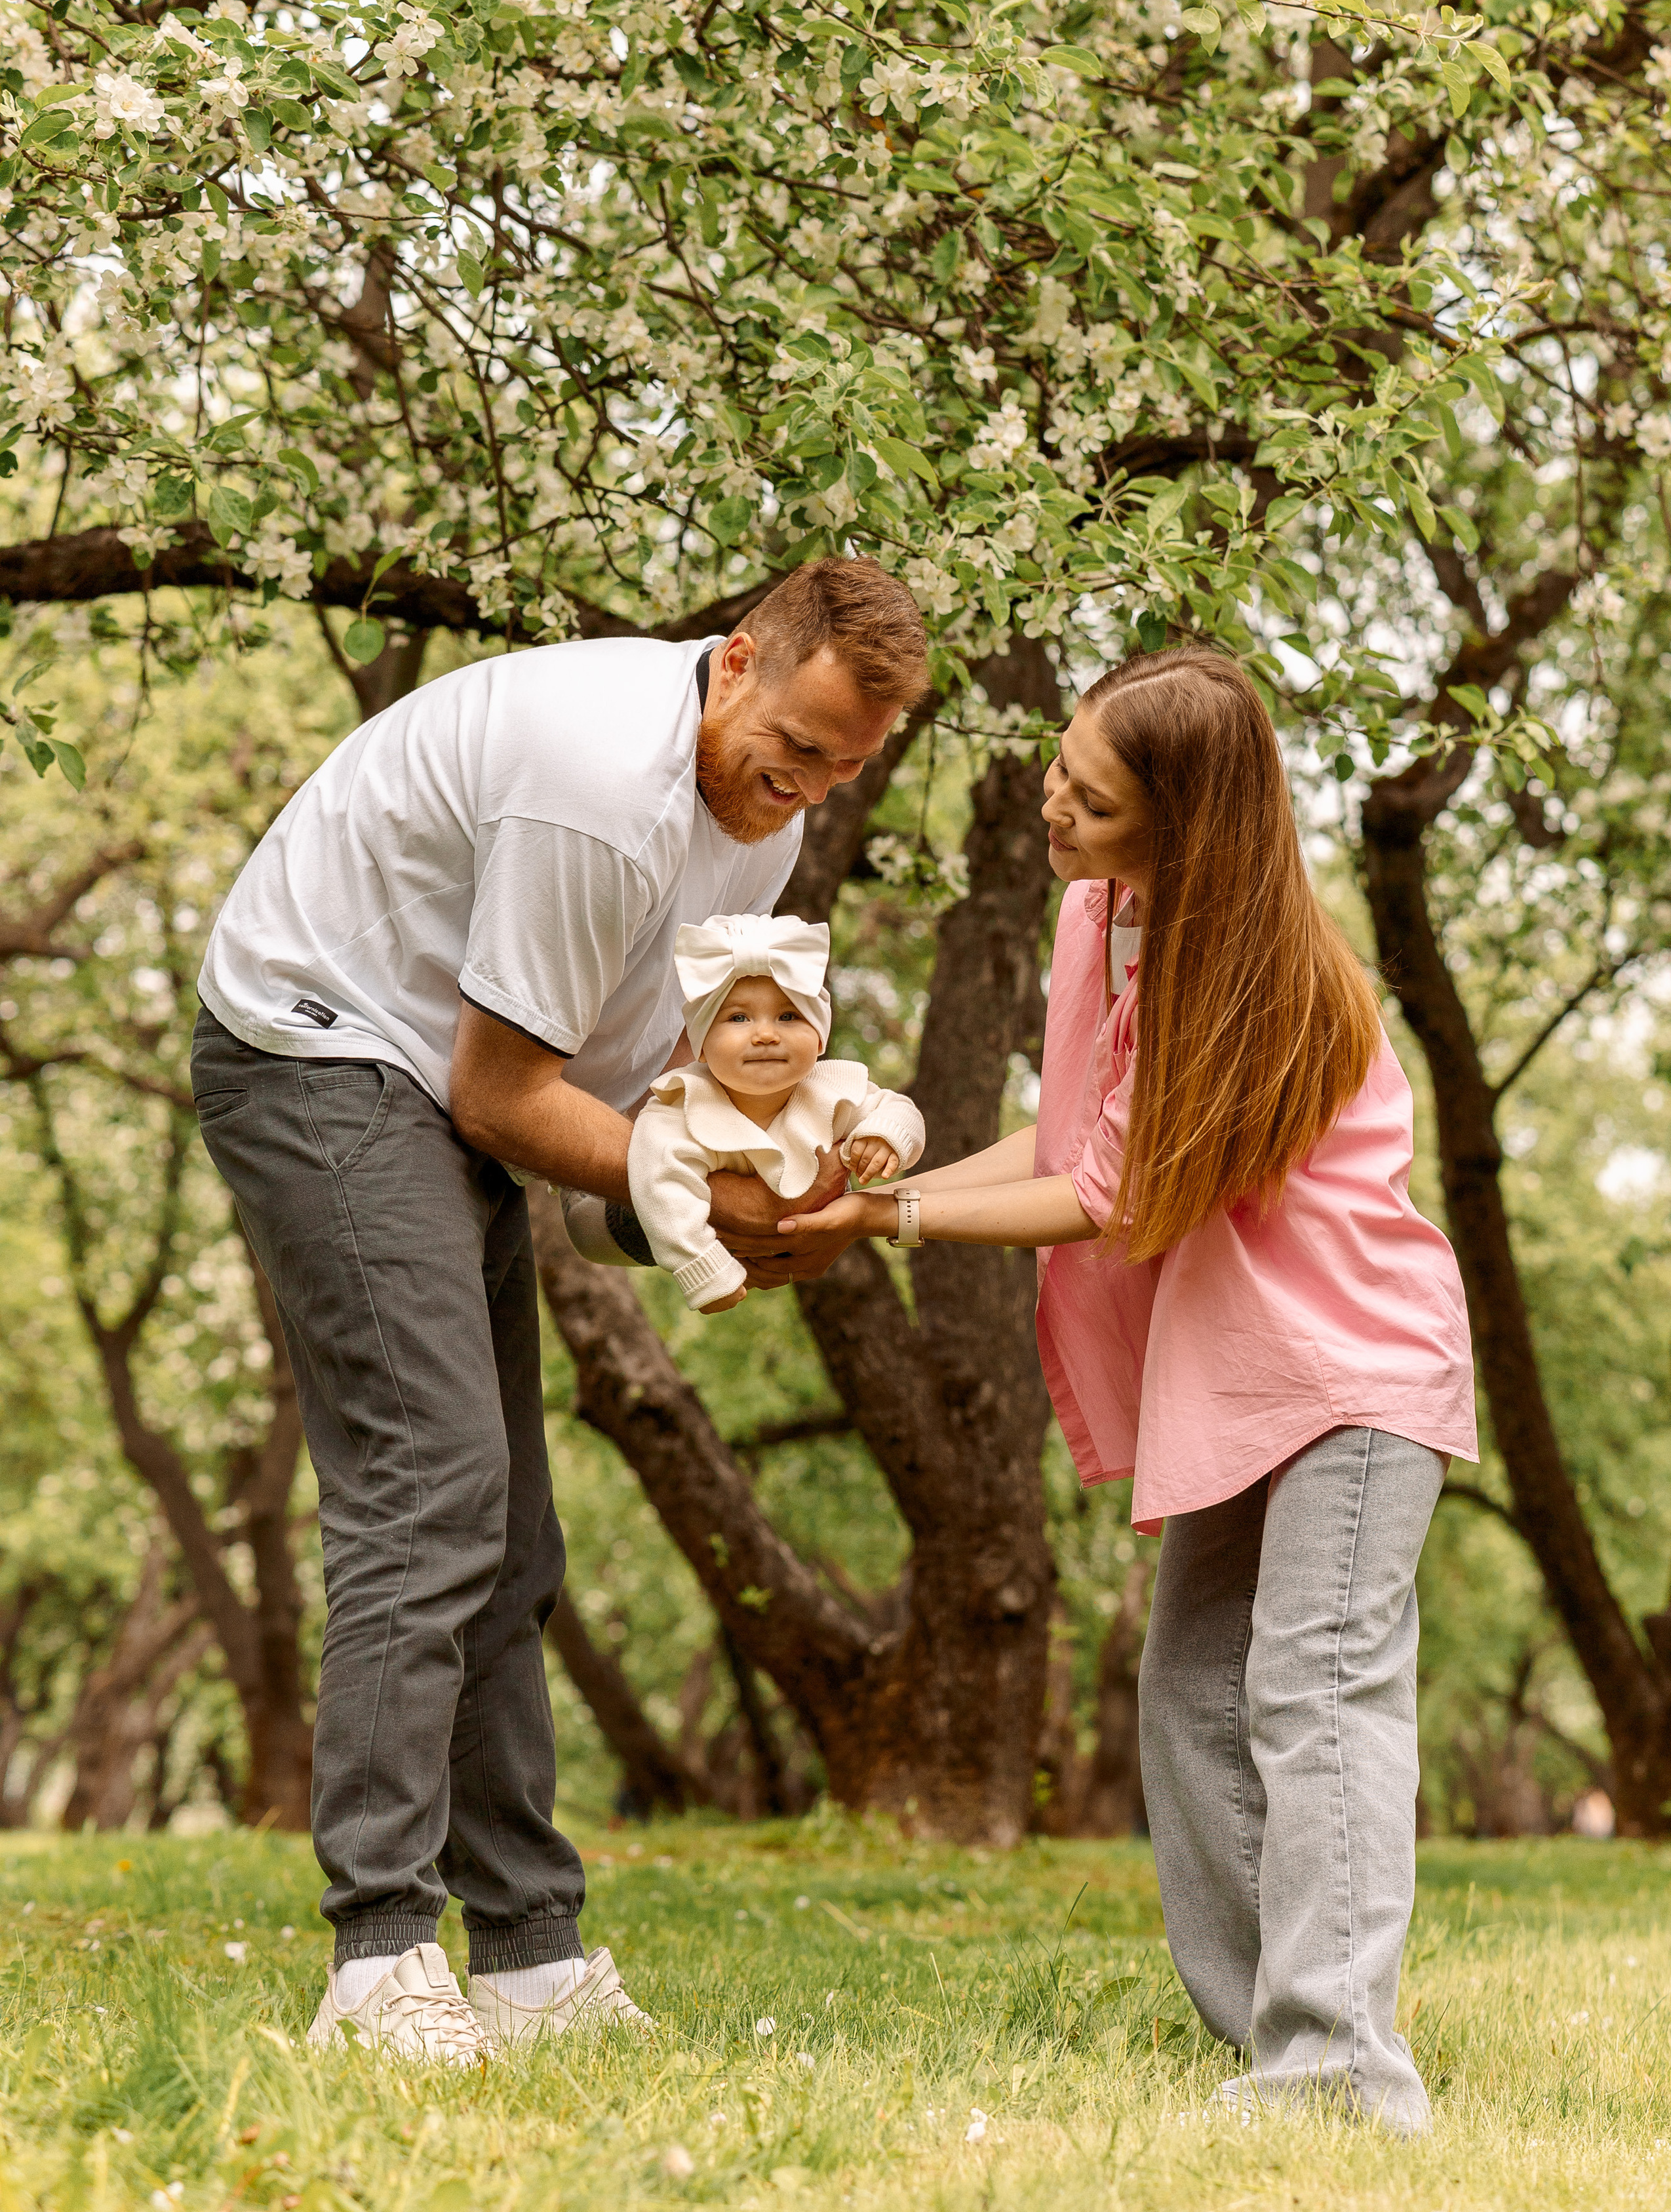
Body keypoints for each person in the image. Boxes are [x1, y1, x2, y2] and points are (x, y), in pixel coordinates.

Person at [189, 559, 928, 2061]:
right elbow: (503, 1092)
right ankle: (378, 1957)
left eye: (841, 772)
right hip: (321, 1044)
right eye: (790, 750)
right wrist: (687, 1190)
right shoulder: (600, 783)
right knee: (430, 1488)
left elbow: (623, 1109)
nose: (801, 793)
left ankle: (526, 1959)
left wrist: (746, 1205)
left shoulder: (757, 839)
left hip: (435, 1086)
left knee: (508, 1524)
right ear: (732, 664)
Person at [787, 644, 1477, 2135]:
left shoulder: (1269, 971)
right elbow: (1062, 1133)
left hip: (1351, 1373)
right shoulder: (1105, 912)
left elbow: (1110, 1186)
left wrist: (890, 1224)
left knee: (1316, 1691)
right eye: (1060, 766)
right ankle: (1278, 2044)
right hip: (1242, 1371)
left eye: (1088, 799)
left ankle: (1340, 2068)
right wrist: (880, 1188)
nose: (1049, 801)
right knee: (1184, 1694)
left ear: (1179, 825)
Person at [566, 912, 923, 1313]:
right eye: (738, 1018)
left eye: (789, 1017)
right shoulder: (679, 1112)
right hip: (631, 1228)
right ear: (700, 1046)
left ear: (821, 1037)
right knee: (653, 1191)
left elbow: (897, 1108)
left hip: (795, 1237)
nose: (766, 1034)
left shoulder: (832, 1092)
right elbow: (661, 1187)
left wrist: (884, 1134)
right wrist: (703, 1268)